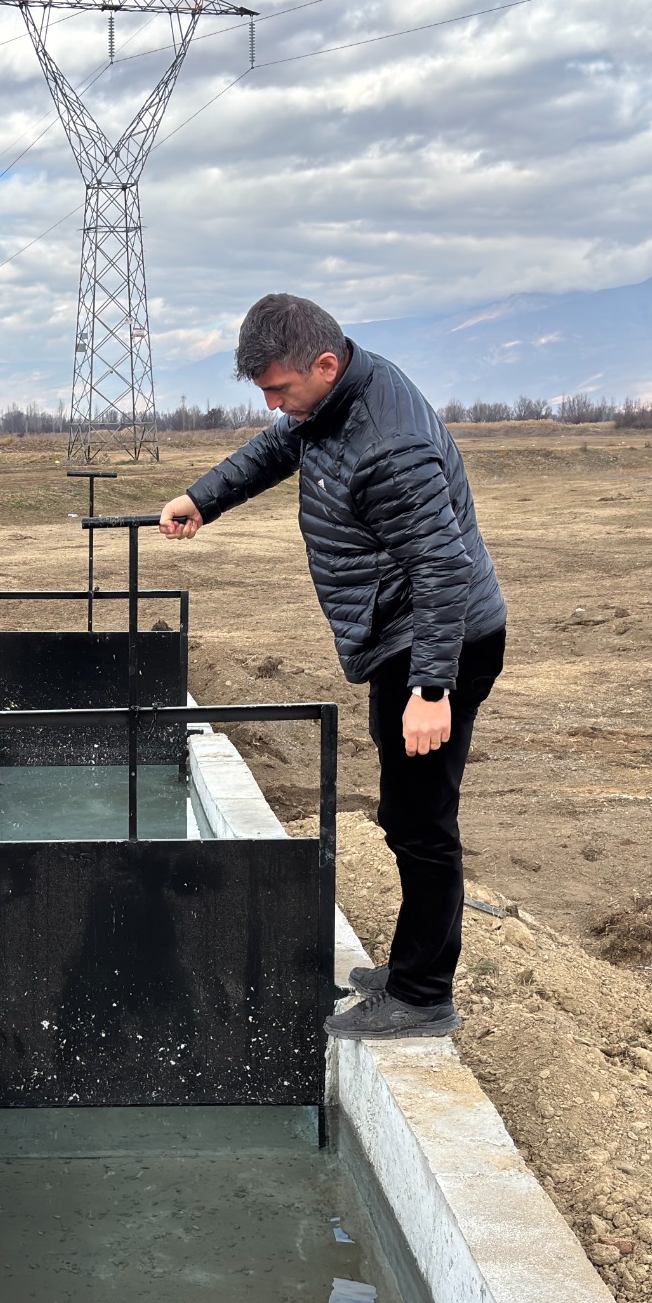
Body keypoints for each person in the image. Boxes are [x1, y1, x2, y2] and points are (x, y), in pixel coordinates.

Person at [160, 293, 507, 1040]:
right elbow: (278, 447)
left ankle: (421, 995)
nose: (276, 406)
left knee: (421, 822)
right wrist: (203, 498)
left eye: (281, 390)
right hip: (405, 635)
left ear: (324, 363)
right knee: (407, 813)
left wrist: (432, 688)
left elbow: (442, 568)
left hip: (436, 642)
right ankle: (414, 966)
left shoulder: (390, 445)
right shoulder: (335, 398)